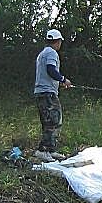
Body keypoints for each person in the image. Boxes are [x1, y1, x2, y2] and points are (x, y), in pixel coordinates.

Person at [34, 29, 73, 161]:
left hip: (42, 92)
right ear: (58, 41)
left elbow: (47, 73)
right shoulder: (51, 53)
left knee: (48, 121)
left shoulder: (43, 53)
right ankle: (42, 150)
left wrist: (58, 82)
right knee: (54, 120)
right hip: (47, 93)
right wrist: (63, 79)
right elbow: (51, 70)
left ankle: (50, 150)